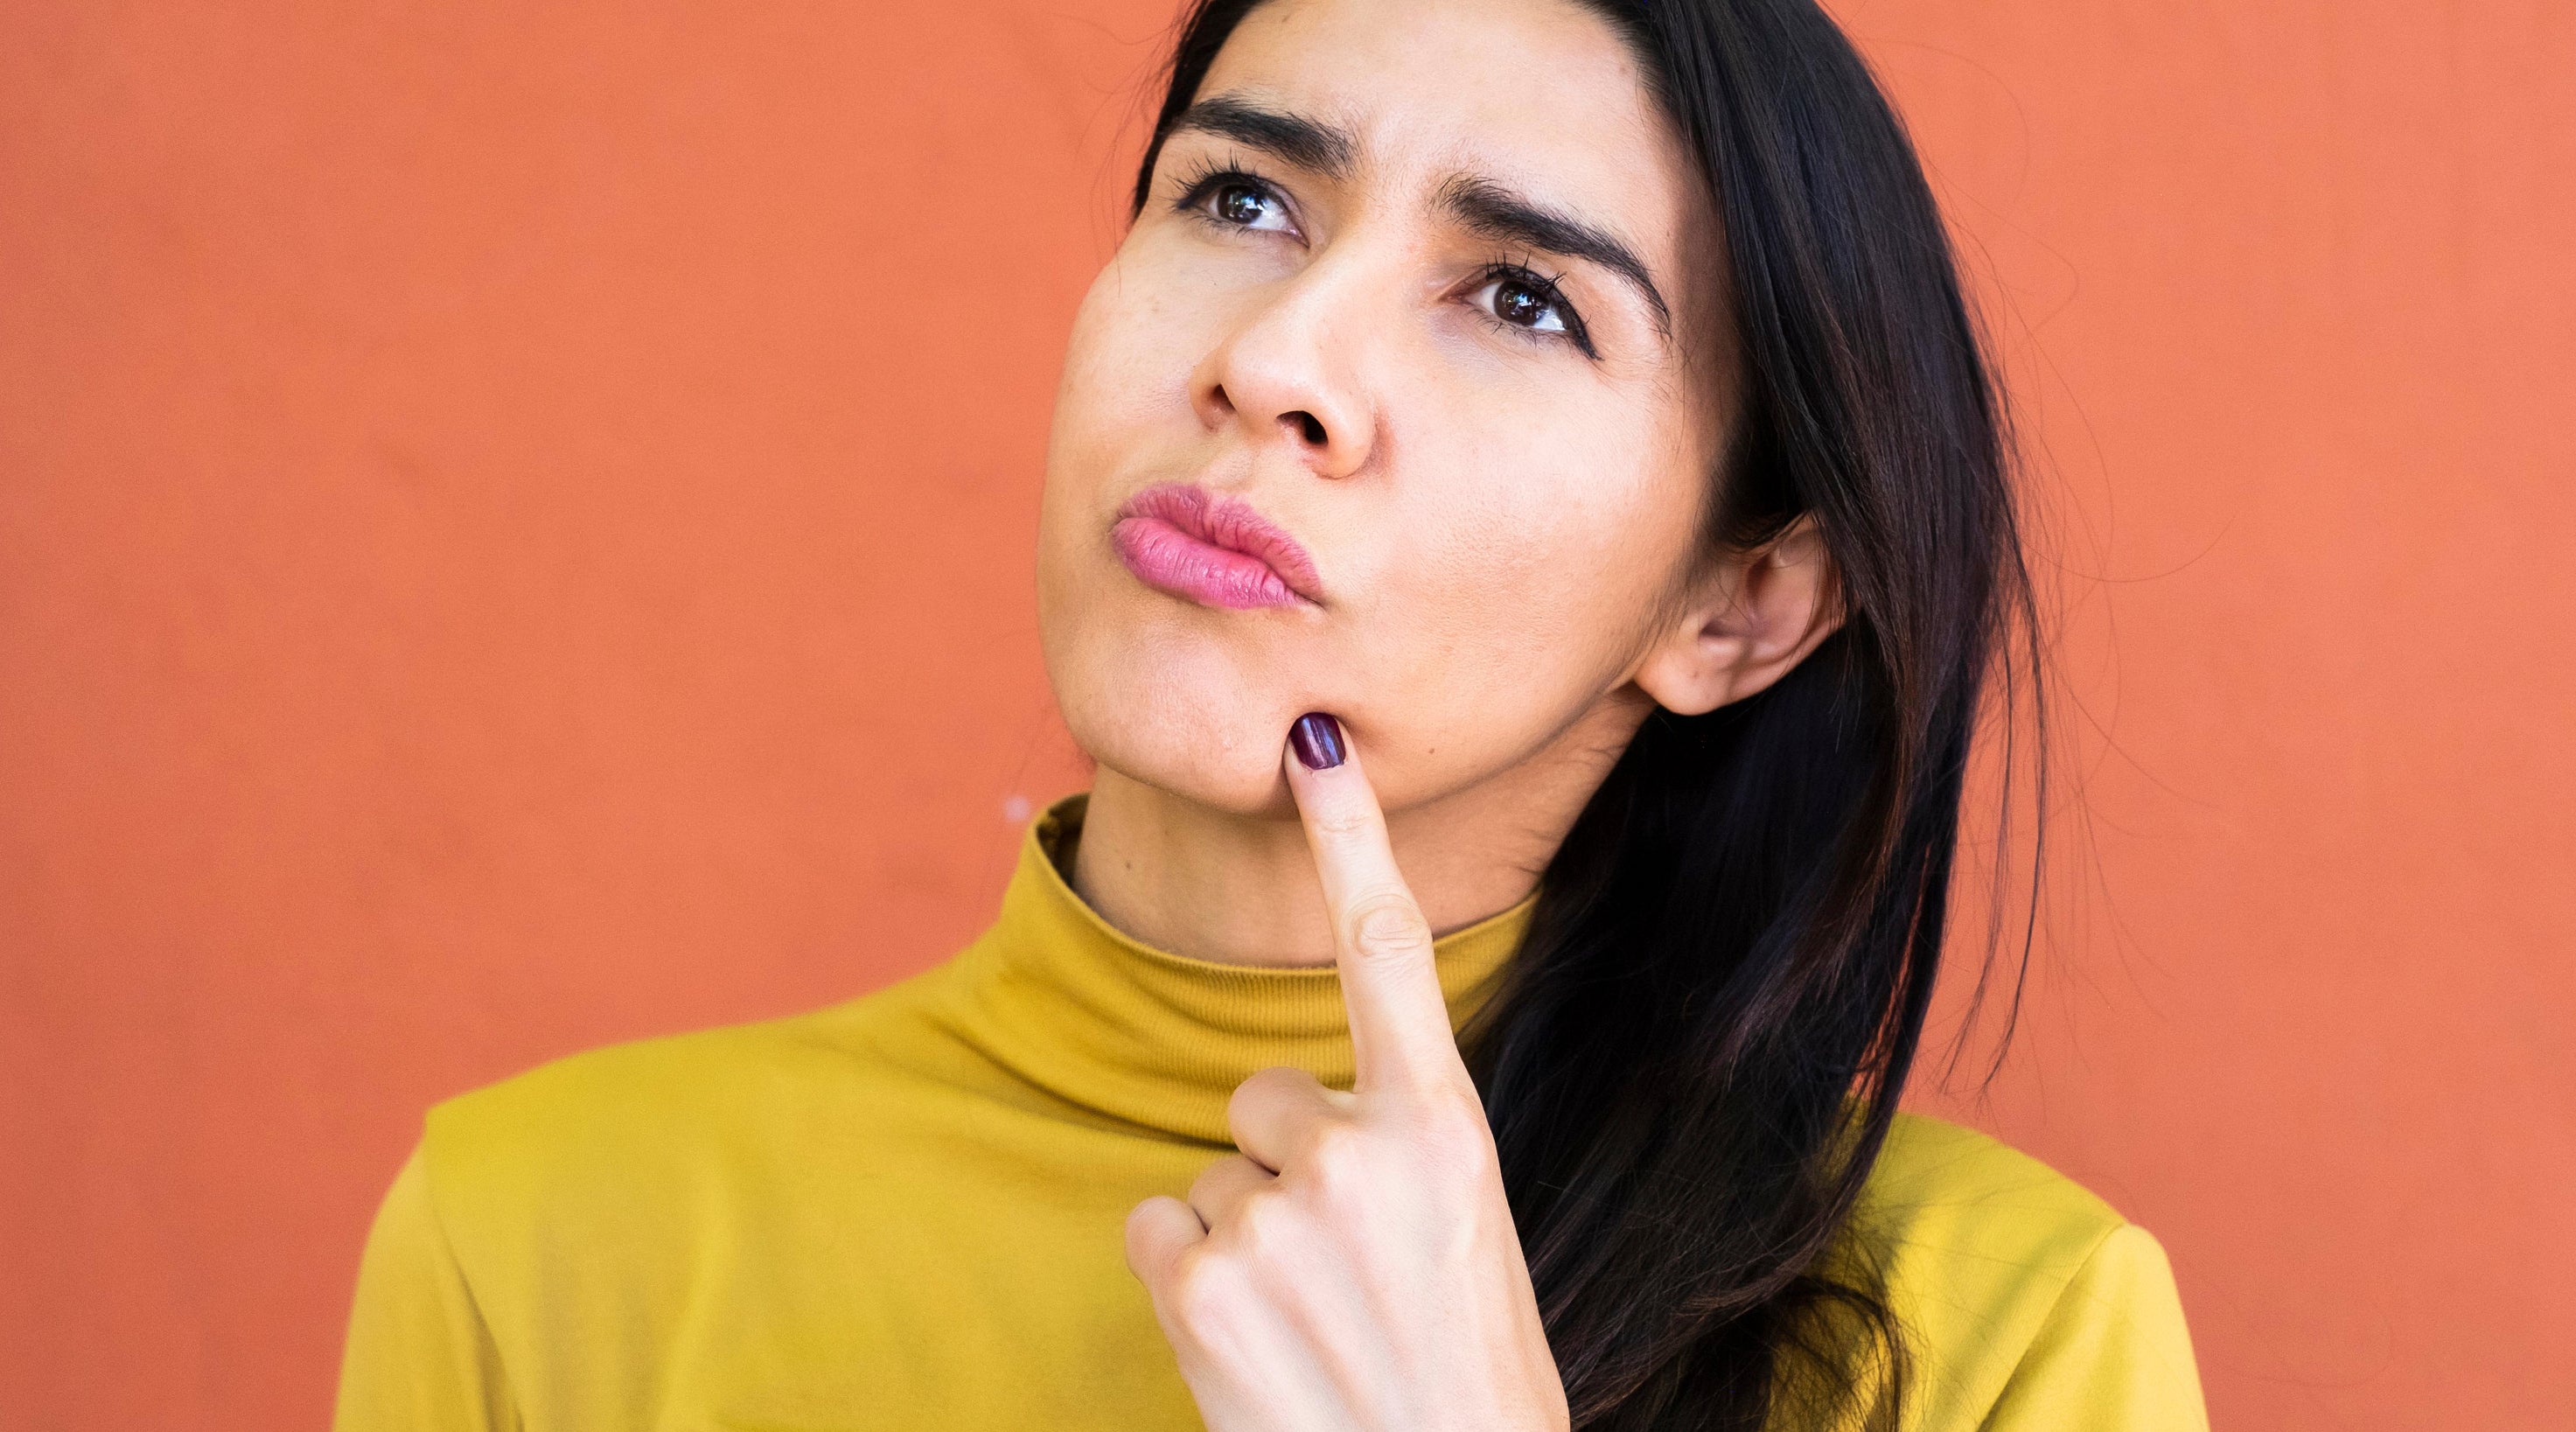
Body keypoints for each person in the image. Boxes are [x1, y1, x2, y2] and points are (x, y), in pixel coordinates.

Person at [332, 0, 2209, 1427]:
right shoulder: (538, 1242)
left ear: (1741, 607)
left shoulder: (2001, 1337)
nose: (1277, 359)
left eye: (1524, 300)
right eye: (1239, 198)